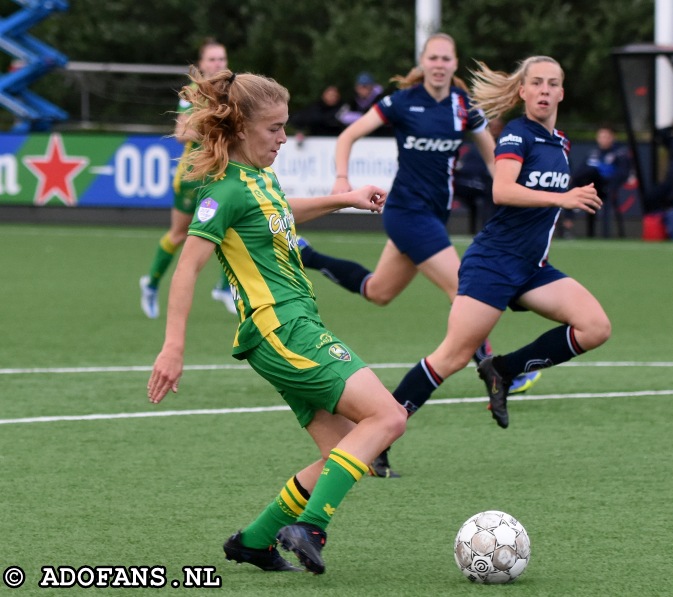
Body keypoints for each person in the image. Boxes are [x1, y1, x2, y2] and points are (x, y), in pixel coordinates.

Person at [146, 69, 407, 575]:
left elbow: (280, 210)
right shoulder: (222, 193)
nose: (284, 138)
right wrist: (172, 346)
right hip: (284, 330)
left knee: (342, 450)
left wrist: (344, 198)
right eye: (274, 128)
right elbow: (188, 267)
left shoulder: (259, 179)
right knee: (388, 418)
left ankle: (255, 541)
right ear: (241, 128)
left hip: (284, 331)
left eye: (285, 127)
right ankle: (310, 527)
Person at [298, 34, 542, 441]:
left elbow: (493, 156)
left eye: (447, 58)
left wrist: (518, 189)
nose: (440, 64)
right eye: (433, 58)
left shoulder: (463, 107)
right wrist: (342, 179)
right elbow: (347, 136)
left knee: (378, 291)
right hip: (405, 213)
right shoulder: (400, 101)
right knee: (464, 286)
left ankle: (309, 255)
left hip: (432, 218)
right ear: (423, 62)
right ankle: (495, 372)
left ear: (454, 63)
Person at [380, 56, 611, 474]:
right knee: (449, 358)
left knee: (595, 326)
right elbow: (503, 190)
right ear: (522, 92)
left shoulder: (560, 142)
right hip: (493, 264)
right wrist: (564, 198)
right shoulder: (516, 135)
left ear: (561, 92)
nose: (543, 90)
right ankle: (379, 434)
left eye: (552, 84)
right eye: (535, 83)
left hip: (531, 268)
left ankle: (502, 369)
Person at [139, 38, 236, 318]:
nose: (218, 64)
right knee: (179, 234)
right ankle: (152, 283)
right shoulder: (191, 92)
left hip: (220, 172)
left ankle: (223, 288)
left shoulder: (232, 91)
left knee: (233, 227)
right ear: (202, 64)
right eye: (213, 59)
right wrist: (215, 130)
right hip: (194, 174)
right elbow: (182, 133)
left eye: (222, 59)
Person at [569, 124, 631, 238]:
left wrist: (612, 185)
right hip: (592, 187)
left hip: (607, 186)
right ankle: (569, 220)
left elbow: (623, 173)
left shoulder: (619, 153)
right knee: (586, 173)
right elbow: (581, 170)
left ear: (613, 137)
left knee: (591, 170)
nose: (603, 139)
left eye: (606, 136)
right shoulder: (593, 153)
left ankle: (606, 234)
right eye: (601, 136)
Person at [453, 117, 504, 234]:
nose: (494, 130)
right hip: (471, 182)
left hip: (489, 184)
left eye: (497, 127)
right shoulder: (476, 147)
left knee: (491, 191)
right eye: (492, 127)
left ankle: (490, 228)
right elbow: (468, 167)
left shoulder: (506, 144)